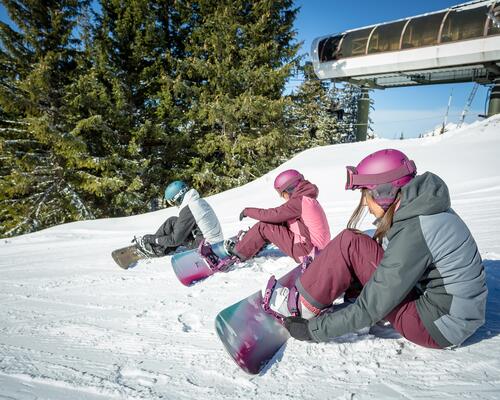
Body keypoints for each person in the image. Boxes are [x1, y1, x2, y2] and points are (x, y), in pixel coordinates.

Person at [277, 149, 487, 349]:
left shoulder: (416, 228)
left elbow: (373, 307)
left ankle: (301, 307)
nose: (366, 205)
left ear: (384, 193)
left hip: (437, 326)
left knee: (350, 242)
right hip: (452, 314)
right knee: (358, 242)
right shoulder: (424, 207)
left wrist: (313, 330)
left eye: (366, 196)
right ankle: (324, 289)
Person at [225, 169, 331, 264]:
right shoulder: (307, 199)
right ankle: (254, 242)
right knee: (279, 222)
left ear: (289, 189)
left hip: (307, 252)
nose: (282, 197)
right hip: (316, 251)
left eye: (282, 193)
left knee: (264, 226)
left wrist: (247, 211)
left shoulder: (299, 202)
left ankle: (239, 252)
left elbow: (273, 215)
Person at [136, 181, 223, 257]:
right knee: (173, 221)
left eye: (172, 202)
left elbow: (175, 240)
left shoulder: (188, 208)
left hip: (206, 247)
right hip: (215, 241)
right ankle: (158, 247)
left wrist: (151, 239)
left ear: (177, 197)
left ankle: (154, 248)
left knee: (175, 234)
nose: (175, 205)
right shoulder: (197, 201)